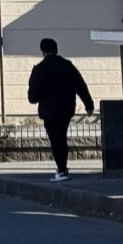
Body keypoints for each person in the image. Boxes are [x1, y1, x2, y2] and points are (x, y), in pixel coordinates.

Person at [27, 38, 94, 182]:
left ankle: (62, 170)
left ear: (43, 51)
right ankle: (63, 168)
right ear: (56, 50)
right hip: (66, 109)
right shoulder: (67, 66)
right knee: (62, 137)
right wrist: (89, 105)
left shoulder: (39, 70)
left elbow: (32, 97)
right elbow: (81, 86)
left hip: (49, 111)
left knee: (56, 139)